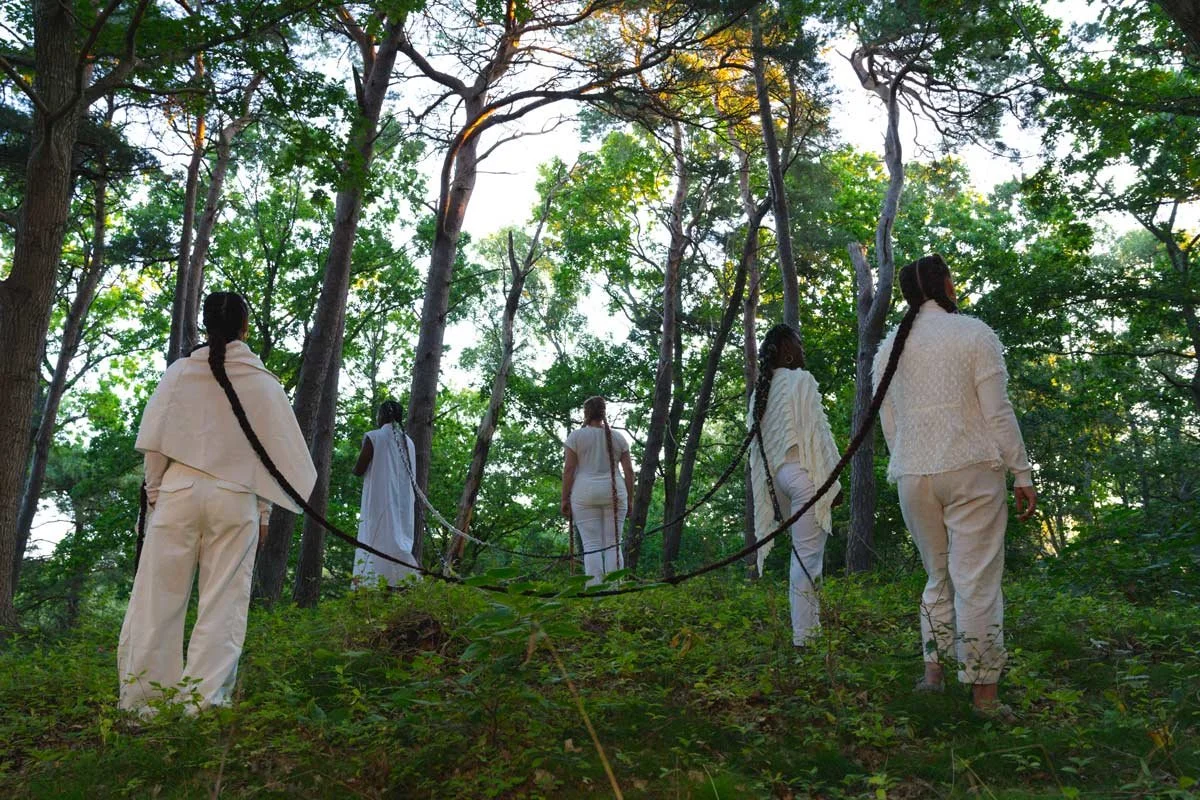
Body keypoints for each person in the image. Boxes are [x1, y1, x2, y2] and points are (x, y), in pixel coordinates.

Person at [119, 292, 316, 714]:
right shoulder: (264, 383)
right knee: (223, 602)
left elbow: (155, 445)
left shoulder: (179, 374)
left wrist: (155, 498)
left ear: (205, 326)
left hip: (178, 494)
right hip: (235, 501)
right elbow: (273, 457)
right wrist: (263, 512)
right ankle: (203, 705)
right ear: (245, 328)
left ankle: (143, 704)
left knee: (158, 599)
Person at [872, 253, 1037, 720]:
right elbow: (997, 412)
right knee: (977, 581)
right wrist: (1021, 472)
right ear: (944, 284)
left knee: (937, 577)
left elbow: (889, 424)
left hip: (913, 476)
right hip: (971, 468)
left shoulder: (889, 349)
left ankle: (933, 676)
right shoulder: (974, 333)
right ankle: (984, 698)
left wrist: (908, 460)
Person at [747, 323, 843, 648]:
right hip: (804, 478)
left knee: (801, 560)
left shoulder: (761, 392)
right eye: (799, 344)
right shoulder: (800, 381)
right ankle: (805, 643)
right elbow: (819, 436)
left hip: (782, 480)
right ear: (788, 349)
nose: (803, 350)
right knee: (807, 563)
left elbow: (759, 453)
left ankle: (808, 637)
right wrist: (834, 482)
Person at [560, 396, 635, 584]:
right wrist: (630, 499)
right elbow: (629, 471)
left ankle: (594, 593)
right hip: (615, 492)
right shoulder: (619, 438)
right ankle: (614, 590)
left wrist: (564, 499)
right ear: (604, 412)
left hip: (584, 494)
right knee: (613, 544)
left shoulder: (576, 437)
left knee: (591, 545)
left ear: (586, 413)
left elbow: (569, 470)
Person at [351, 399, 420, 586]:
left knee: (376, 536)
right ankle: (399, 581)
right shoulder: (409, 443)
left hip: (379, 500)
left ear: (382, 416)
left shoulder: (375, 437)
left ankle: (373, 582)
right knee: (397, 538)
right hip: (402, 504)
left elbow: (358, 469)